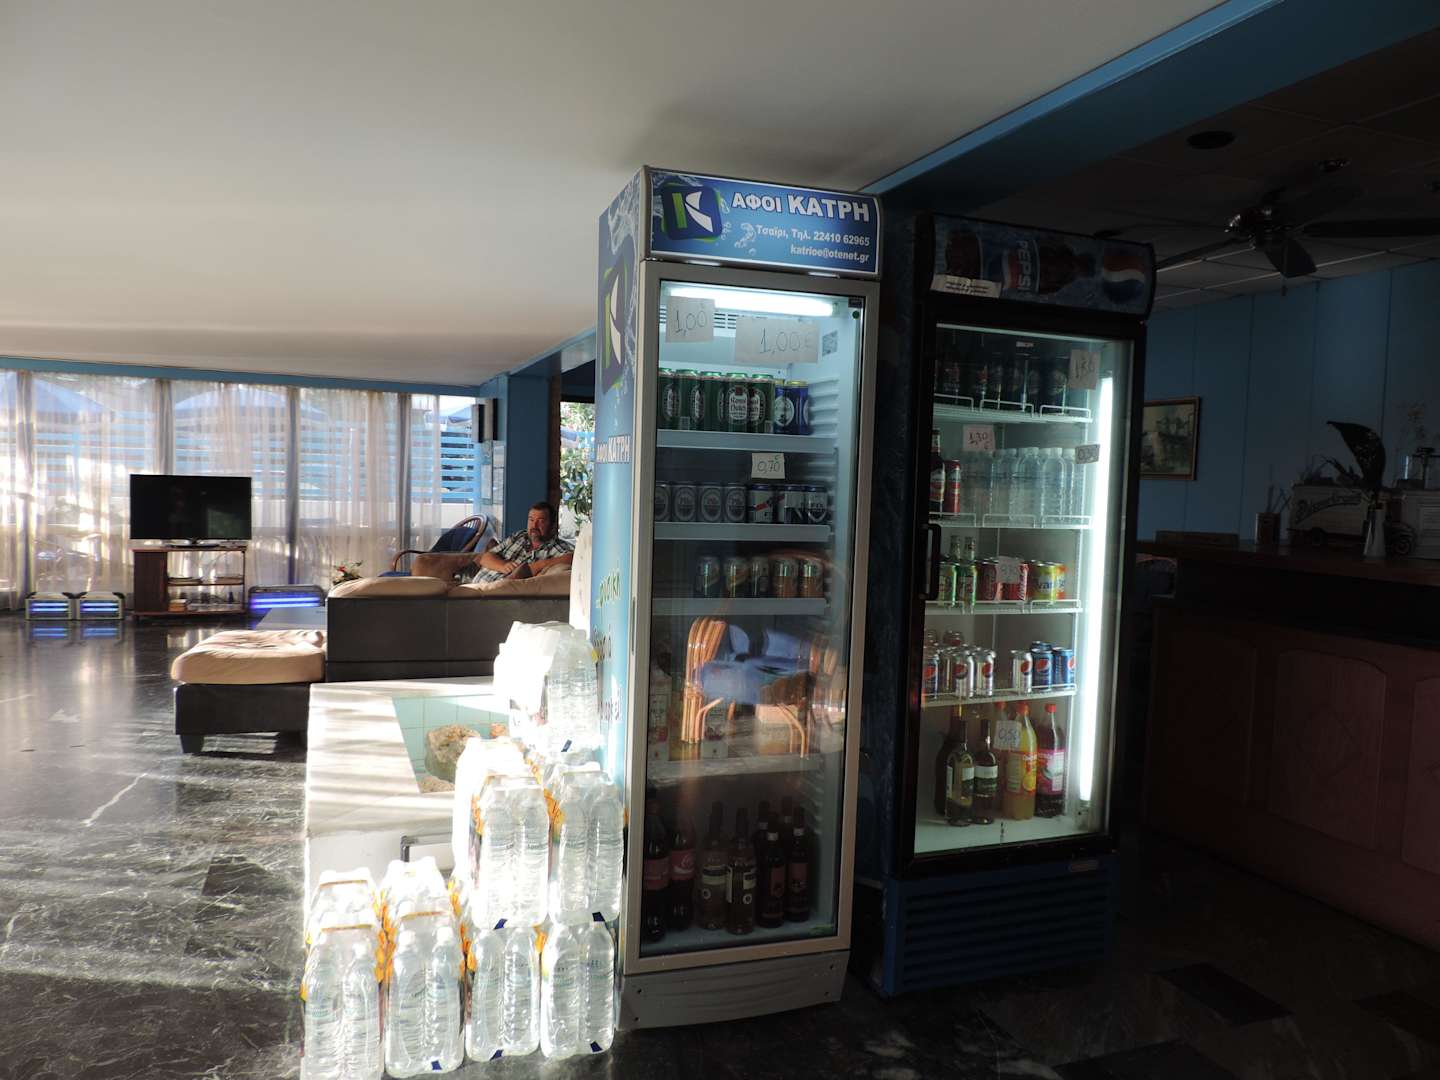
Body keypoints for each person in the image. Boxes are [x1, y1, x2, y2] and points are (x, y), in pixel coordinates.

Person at [470, 501, 574, 584]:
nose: (534, 526)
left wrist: (537, 565)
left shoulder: (557, 548)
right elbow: (485, 558)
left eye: (541, 521)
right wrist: (503, 566)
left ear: (552, 525)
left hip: (489, 596)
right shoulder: (519, 536)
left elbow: (574, 558)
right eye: (531, 520)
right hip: (472, 586)